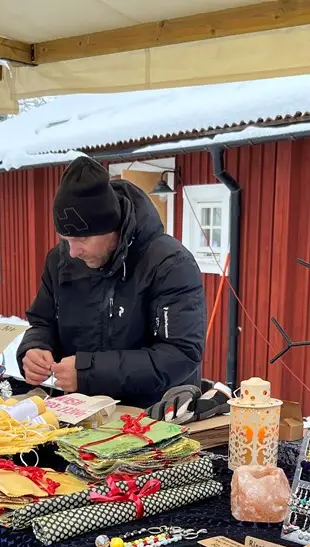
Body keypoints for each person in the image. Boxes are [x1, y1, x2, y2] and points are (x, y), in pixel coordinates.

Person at [17, 156, 206, 408]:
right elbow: (43, 322)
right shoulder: (61, 259)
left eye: (82, 239)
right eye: (65, 238)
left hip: (153, 417)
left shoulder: (169, 264)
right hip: (80, 413)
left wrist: (88, 374)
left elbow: (180, 354)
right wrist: (34, 348)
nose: (72, 251)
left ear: (112, 228)